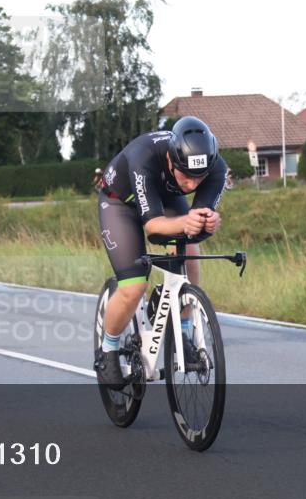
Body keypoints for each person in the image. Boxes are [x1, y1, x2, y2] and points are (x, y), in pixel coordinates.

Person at [94, 117, 227, 389]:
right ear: (170, 160)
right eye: (185, 175)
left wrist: (209, 222)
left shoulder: (217, 169)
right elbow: (153, 226)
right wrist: (184, 222)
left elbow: (197, 221)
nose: (191, 185)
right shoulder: (143, 156)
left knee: (189, 244)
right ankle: (107, 350)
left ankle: (186, 332)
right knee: (133, 287)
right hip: (120, 203)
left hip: (164, 200)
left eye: (198, 177)